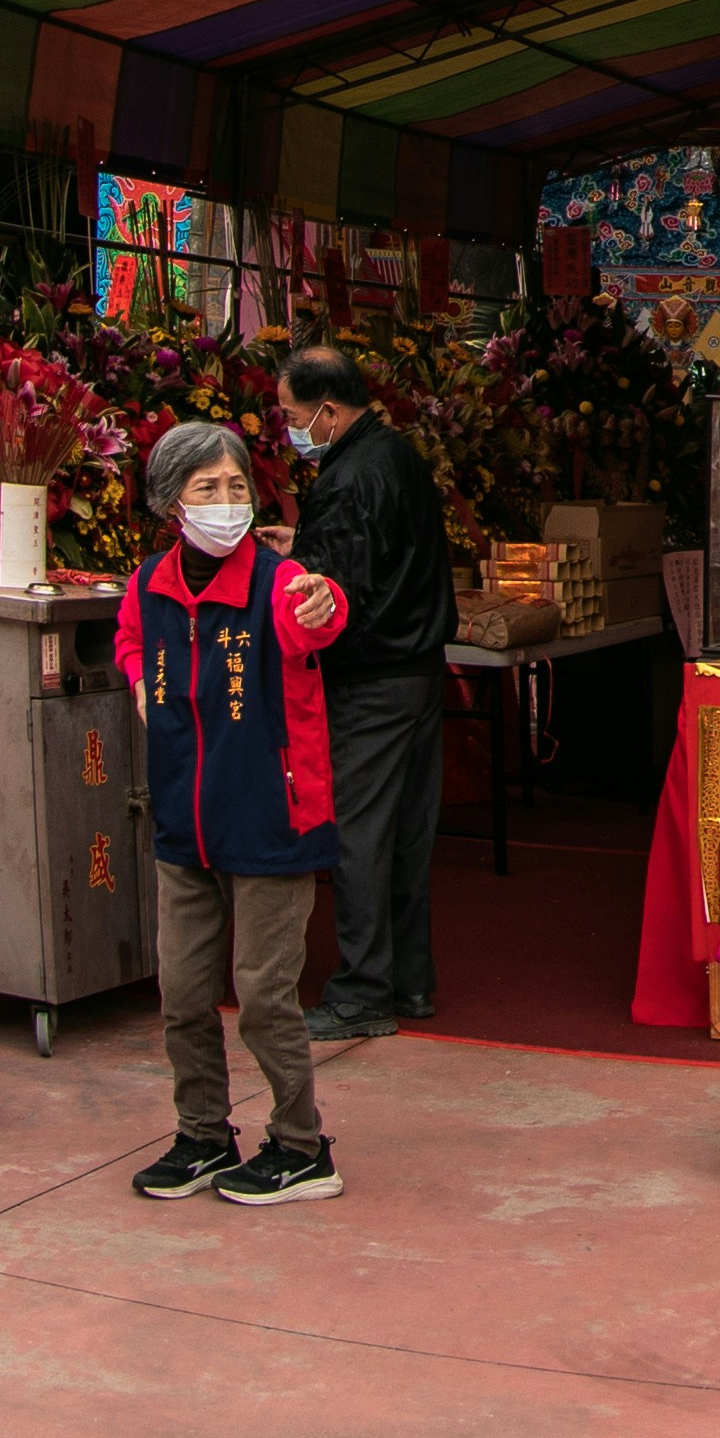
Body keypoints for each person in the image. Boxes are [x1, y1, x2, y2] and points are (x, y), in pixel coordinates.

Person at [118, 417, 353, 1204]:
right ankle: (203, 1133)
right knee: (182, 994)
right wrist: (141, 695)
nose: (227, 503)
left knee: (262, 995)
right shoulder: (149, 582)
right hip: (183, 827)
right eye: (206, 490)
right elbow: (129, 642)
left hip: (270, 824)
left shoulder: (279, 583)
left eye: (236, 487)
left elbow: (319, 612)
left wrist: (322, 603)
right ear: (169, 505)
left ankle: (299, 1144)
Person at [280, 342, 453, 1042]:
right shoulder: (397, 453)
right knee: (407, 833)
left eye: (291, 414)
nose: (285, 428)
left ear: (328, 410)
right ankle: (410, 980)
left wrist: (294, 567)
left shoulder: (350, 476)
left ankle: (361, 989)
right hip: (419, 668)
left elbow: (337, 590)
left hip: (373, 676)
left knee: (360, 833)